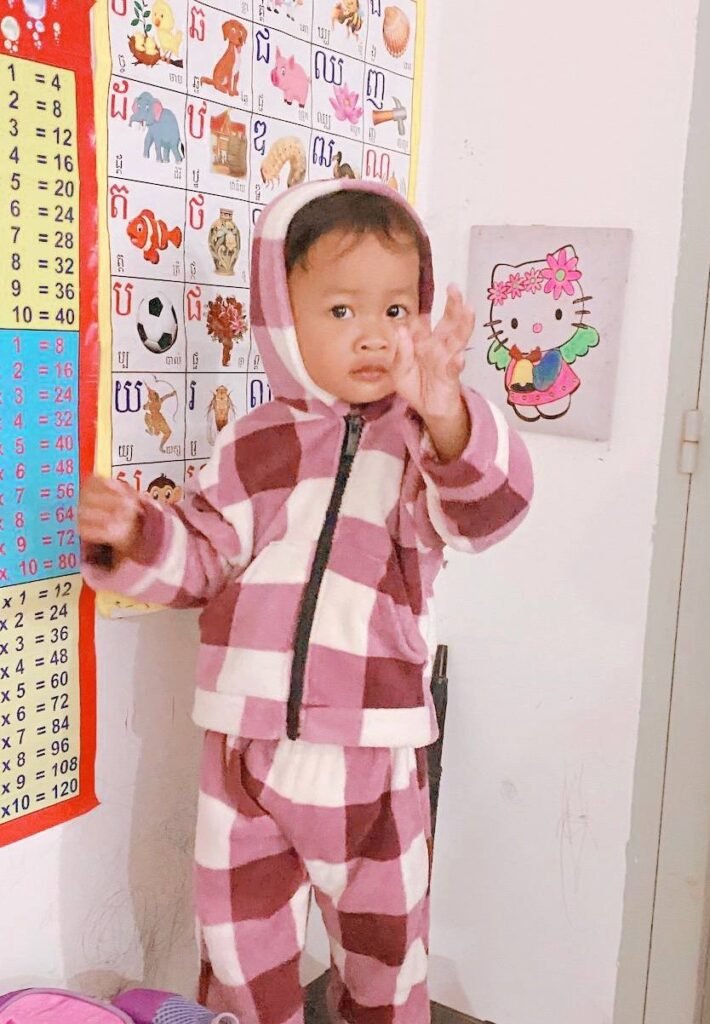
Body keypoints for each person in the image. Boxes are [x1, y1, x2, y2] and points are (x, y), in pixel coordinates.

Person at [79, 180, 533, 1024]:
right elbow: (202, 561)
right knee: (239, 954)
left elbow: (490, 511)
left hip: (375, 752)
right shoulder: (254, 443)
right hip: (244, 751)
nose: (374, 334)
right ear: (283, 319)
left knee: (385, 956)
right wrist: (135, 535)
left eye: (396, 309)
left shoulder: (427, 441)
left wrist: (446, 412)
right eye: (340, 310)